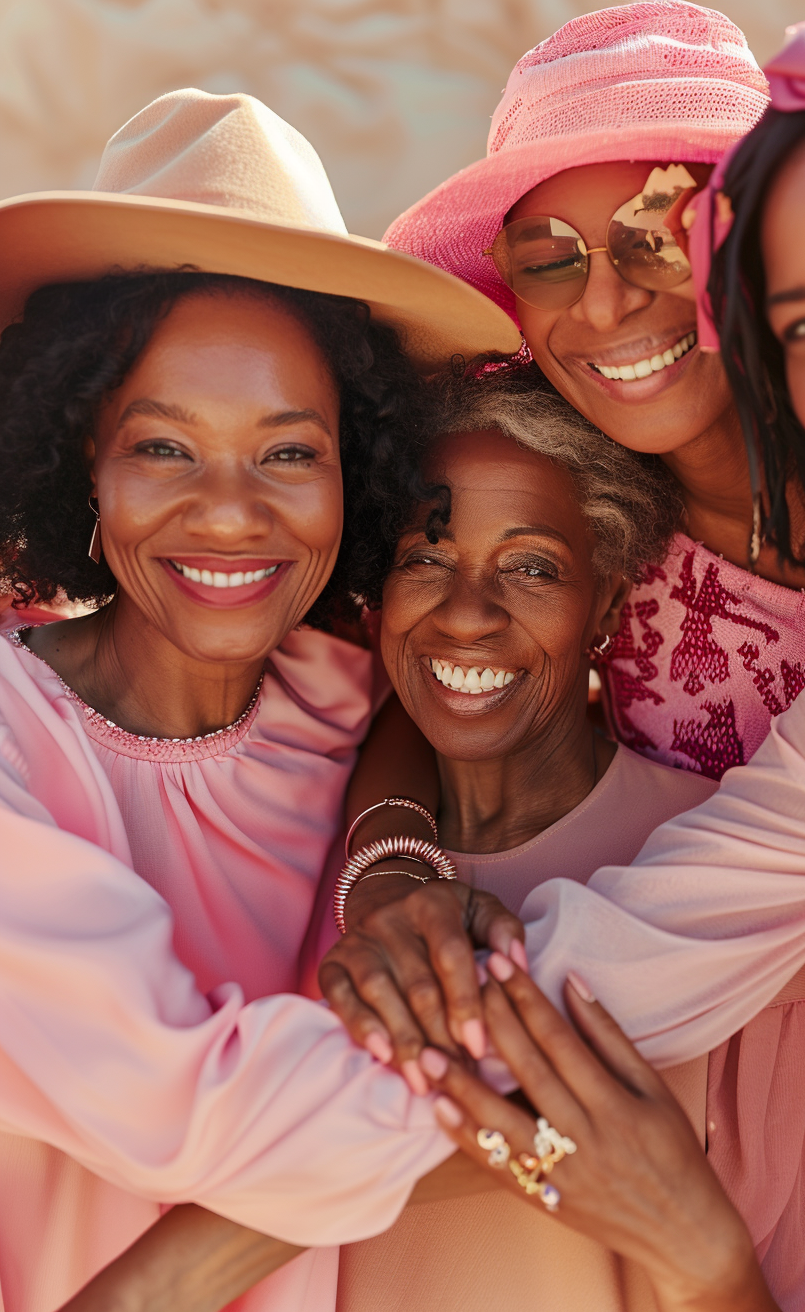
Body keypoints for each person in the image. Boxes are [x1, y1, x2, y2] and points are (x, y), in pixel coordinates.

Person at [71, 363, 805, 1311]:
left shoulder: (723, 880)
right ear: (376, 596)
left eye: (531, 567)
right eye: (426, 559)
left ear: (606, 605)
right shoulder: (310, 845)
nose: (468, 613)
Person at [371, 7, 805, 1312]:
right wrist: (386, 869)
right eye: (549, 256)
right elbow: (395, 680)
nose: (607, 298)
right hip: (729, 1043)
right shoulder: (569, 515)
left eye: (655, 233)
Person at [0, 86, 522, 1312]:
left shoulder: (369, 710)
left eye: (290, 451)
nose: (231, 512)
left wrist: (394, 844)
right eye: (163, 447)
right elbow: (204, 1110)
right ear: (81, 456)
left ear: (363, 467)